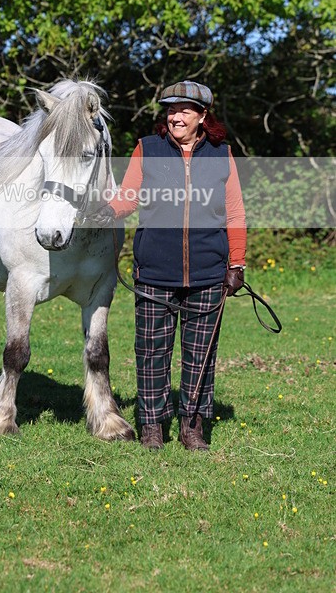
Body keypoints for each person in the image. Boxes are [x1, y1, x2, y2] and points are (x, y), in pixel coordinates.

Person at [94, 80, 246, 450]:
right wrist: (105, 211)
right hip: (154, 272)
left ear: (202, 116)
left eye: (184, 111)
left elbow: (235, 211)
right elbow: (128, 197)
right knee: (151, 354)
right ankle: (152, 427)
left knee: (200, 357)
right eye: (171, 110)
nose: (175, 117)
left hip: (208, 273)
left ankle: (192, 427)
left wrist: (237, 264)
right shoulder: (148, 148)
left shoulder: (222, 154)